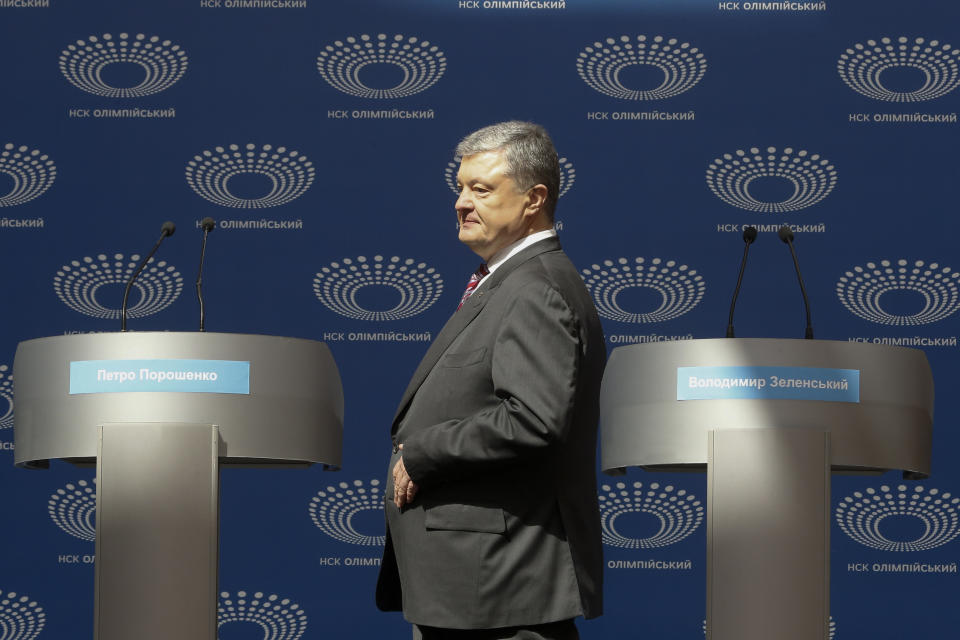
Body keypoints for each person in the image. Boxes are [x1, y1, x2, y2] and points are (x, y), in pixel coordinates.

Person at [376, 121, 605, 640]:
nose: (461, 202)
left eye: (481, 189)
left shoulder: (535, 290)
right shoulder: (510, 283)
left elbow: (533, 419)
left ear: (534, 199)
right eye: (459, 187)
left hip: (499, 589)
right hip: (471, 589)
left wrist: (423, 451)